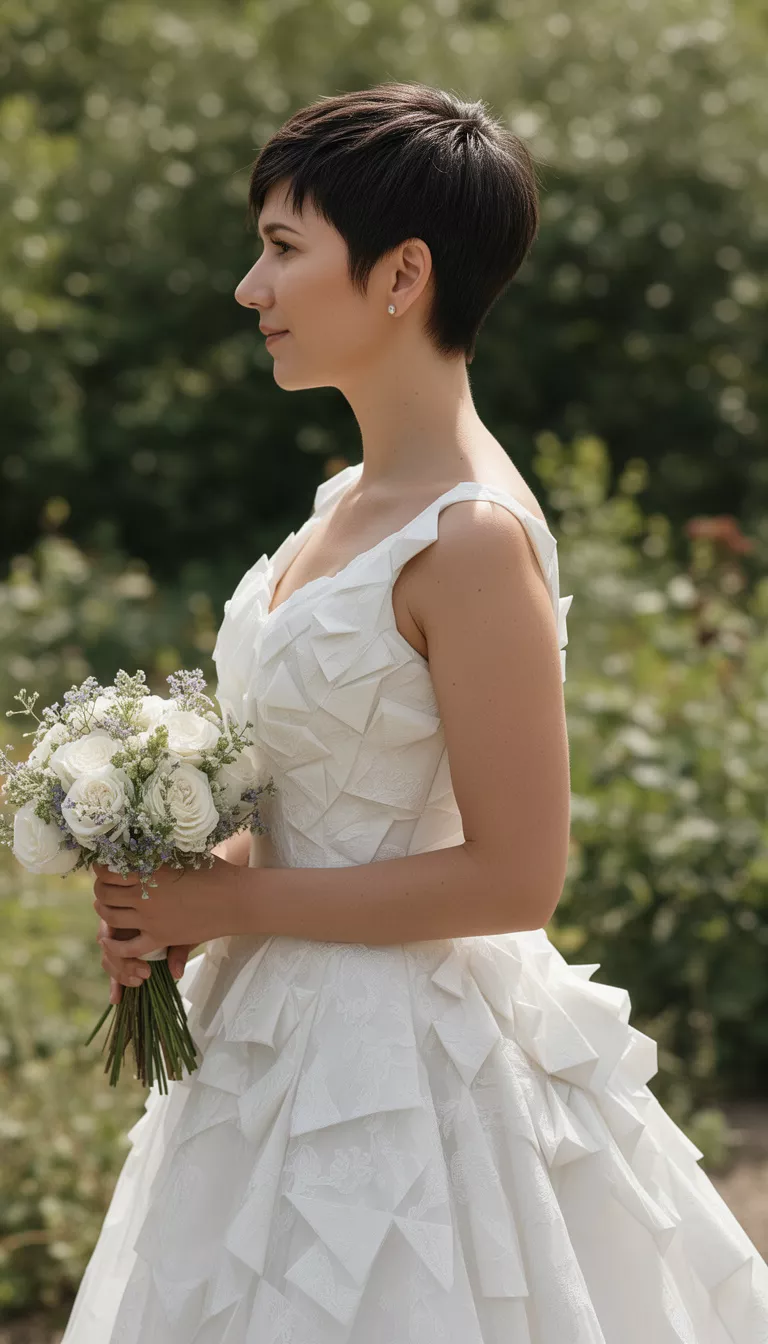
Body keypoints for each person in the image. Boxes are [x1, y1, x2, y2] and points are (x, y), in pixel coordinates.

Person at [64, 81, 768, 1343]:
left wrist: (234, 906)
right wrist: (180, 898)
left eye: (284, 248)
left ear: (401, 278)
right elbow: (297, 788)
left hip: (408, 1076)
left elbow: (517, 874)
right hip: (261, 1046)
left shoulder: (476, 539)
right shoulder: (341, 502)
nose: (249, 287)